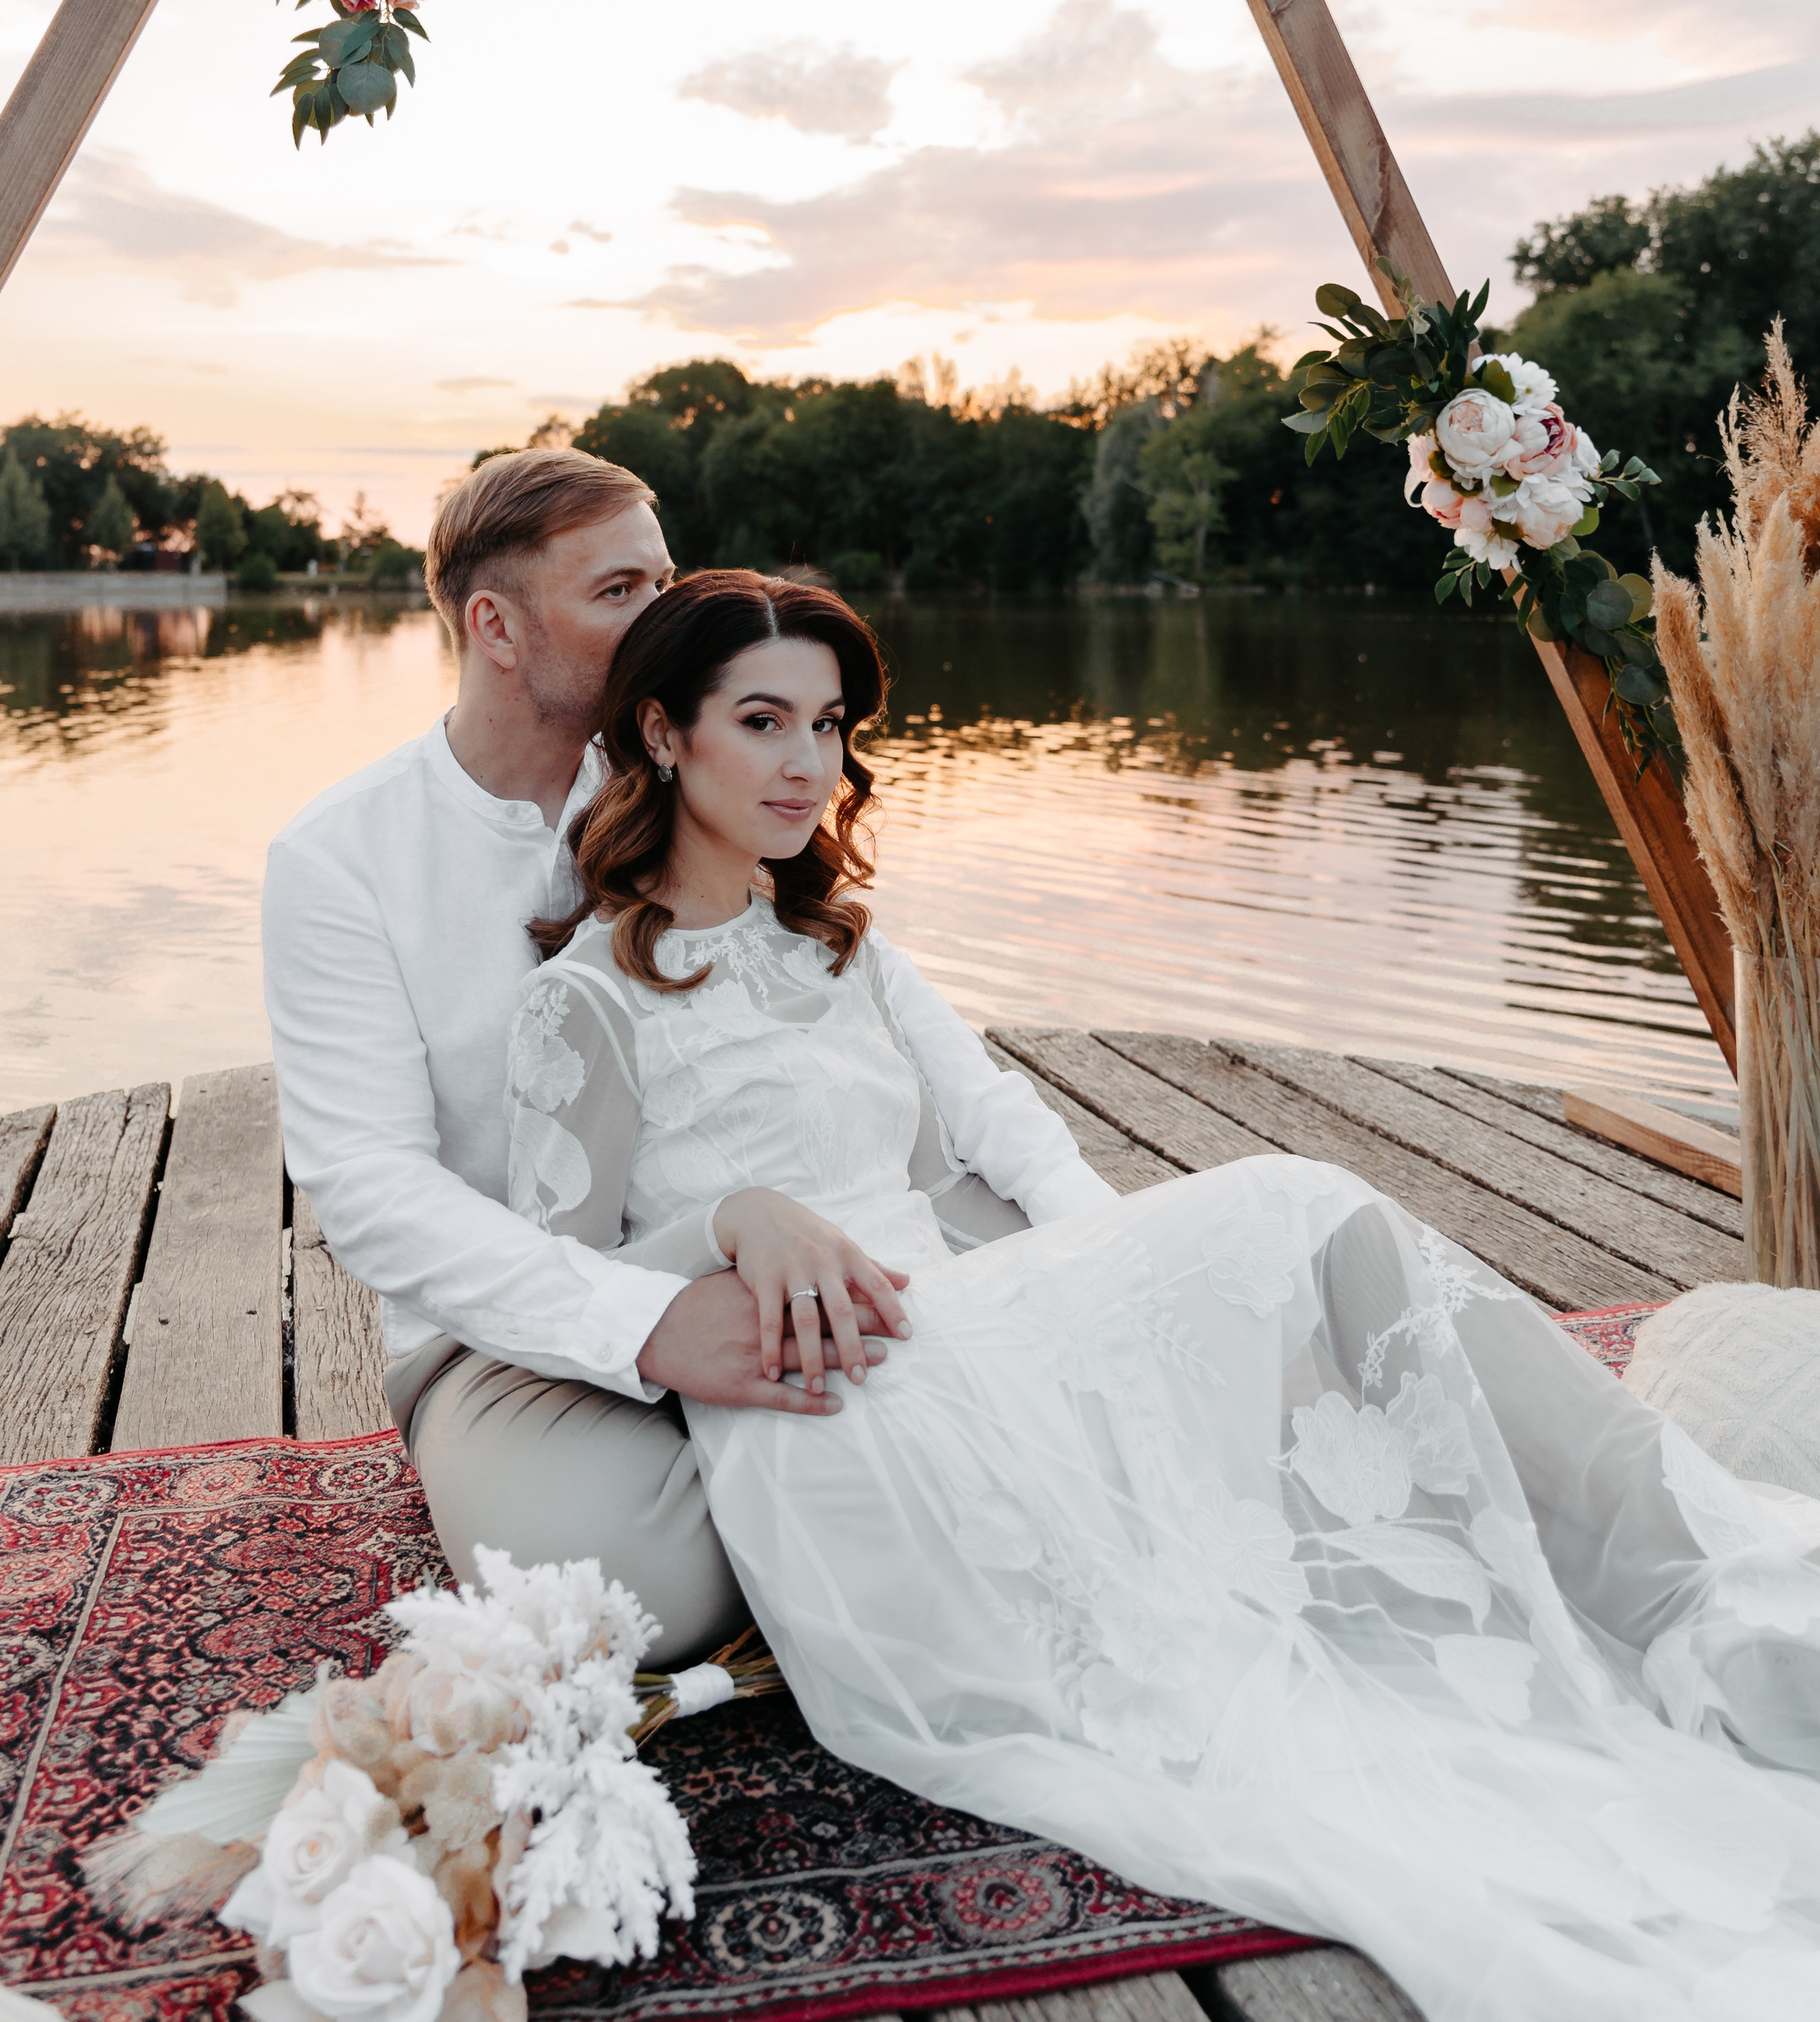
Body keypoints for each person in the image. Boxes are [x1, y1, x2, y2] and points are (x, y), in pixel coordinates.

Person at [501, 567, 1820, 2022]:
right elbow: (555, 1283)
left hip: (971, 1316)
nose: (807, 762)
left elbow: (973, 1159)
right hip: (844, 1396)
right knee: (1293, 1205)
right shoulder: (585, 1001)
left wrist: (1120, 1293)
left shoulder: (841, 951)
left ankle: (1687, 1581)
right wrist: (725, 1222)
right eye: (761, 721)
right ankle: (1670, 1590)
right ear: (663, 733)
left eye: (827, 724)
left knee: (1306, 1221)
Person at [262, 446, 1035, 1659]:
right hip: (505, 1334)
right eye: (620, 591)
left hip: (785, 1246)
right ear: (496, 626)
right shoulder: (339, 859)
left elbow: (944, 1064)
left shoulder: (698, 761)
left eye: (663, 581)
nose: (666, 615)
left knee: (1086, 1315)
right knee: (604, 1594)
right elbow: (369, 1188)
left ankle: (881, 1477)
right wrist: (646, 1319)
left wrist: (1099, 1230)